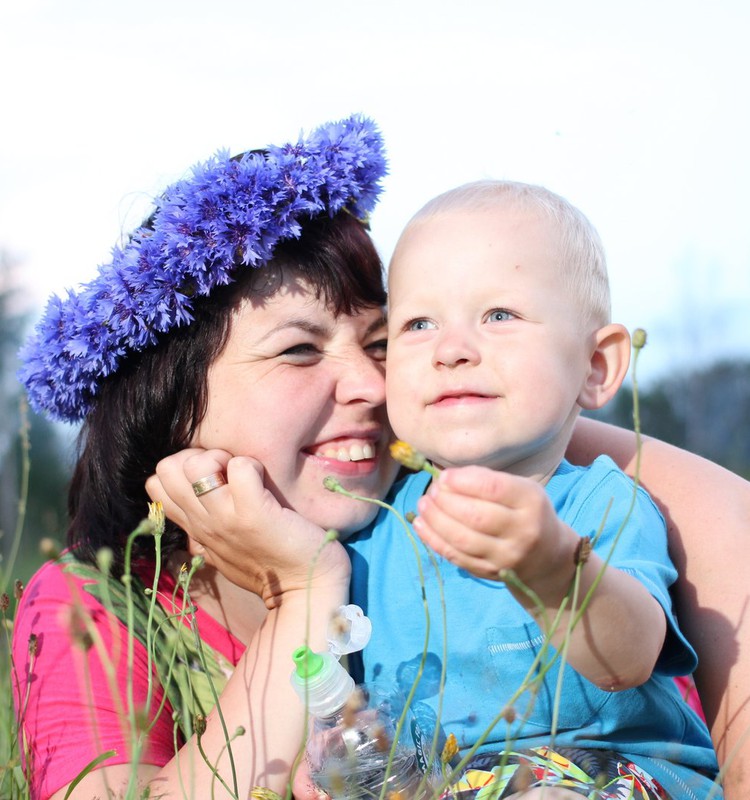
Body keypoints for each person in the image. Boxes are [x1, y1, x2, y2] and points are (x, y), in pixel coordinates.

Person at [12, 114, 401, 800]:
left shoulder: (467, 518)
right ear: (173, 405)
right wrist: (304, 595)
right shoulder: (98, 608)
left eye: (380, 341)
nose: (373, 385)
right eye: (299, 349)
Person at [344, 180, 722, 799]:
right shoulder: (371, 533)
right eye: (416, 323)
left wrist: (550, 566)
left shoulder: (601, 503)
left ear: (595, 367)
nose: (451, 349)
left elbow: (626, 660)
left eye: (499, 316)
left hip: (603, 776)